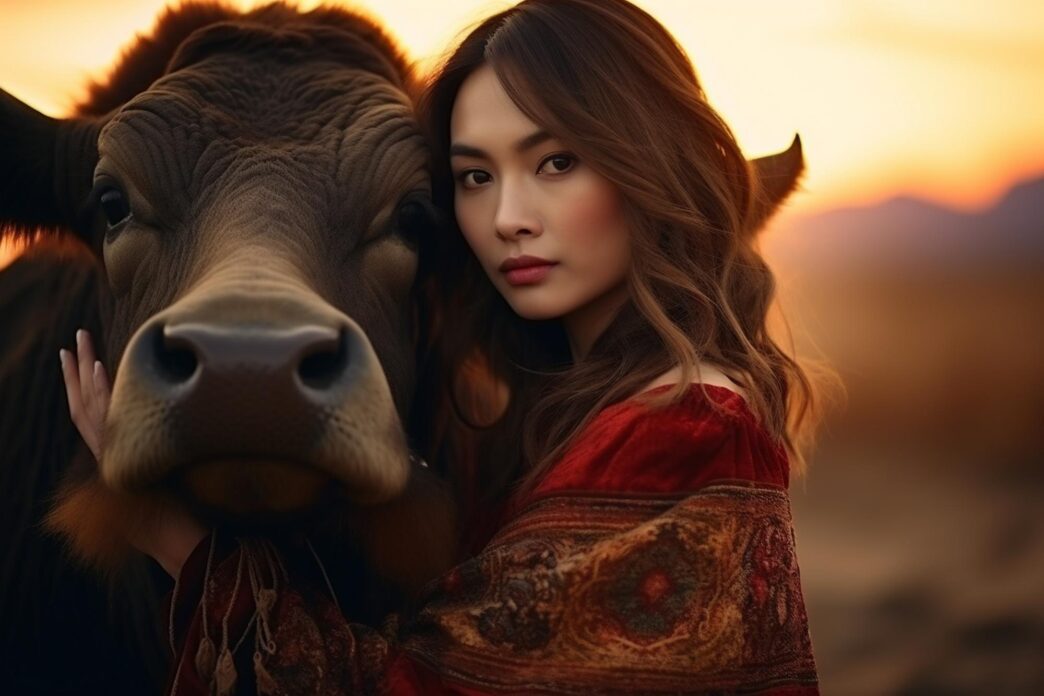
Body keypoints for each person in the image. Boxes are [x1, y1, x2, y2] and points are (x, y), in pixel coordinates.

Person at [61, 0, 822, 692]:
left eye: (555, 161)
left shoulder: (687, 431)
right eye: (474, 176)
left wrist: (166, 536)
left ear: (654, 171)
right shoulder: (556, 408)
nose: (508, 217)